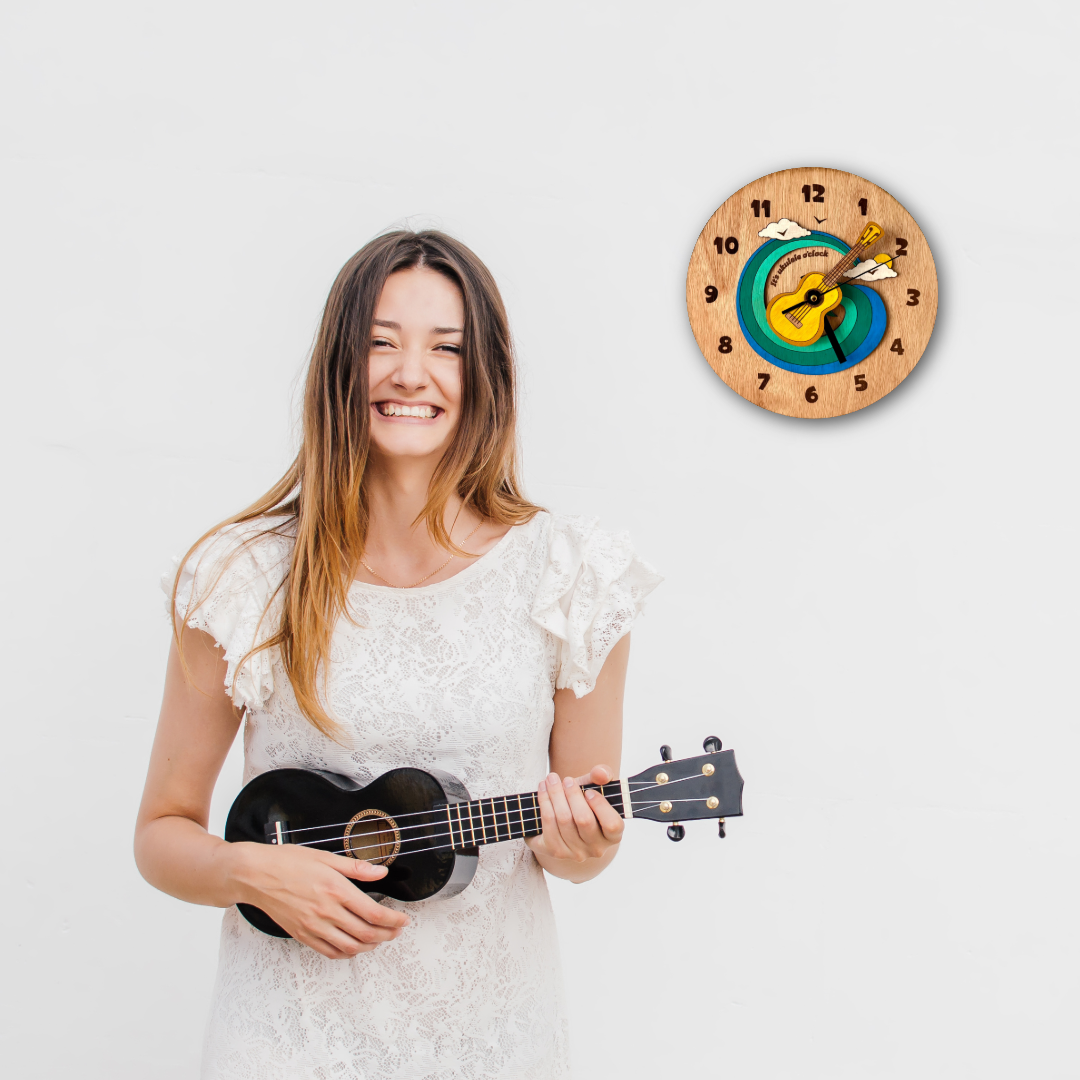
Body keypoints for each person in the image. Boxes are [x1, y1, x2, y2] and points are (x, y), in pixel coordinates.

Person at [134, 230, 661, 1079]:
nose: (412, 374)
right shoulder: (244, 576)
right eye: (382, 342)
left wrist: (584, 845)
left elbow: (581, 846)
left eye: (446, 348)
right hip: (284, 1044)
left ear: (486, 375)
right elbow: (161, 834)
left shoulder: (569, 576)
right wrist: (250, 873)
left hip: (492, 1043)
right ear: (339, 366)